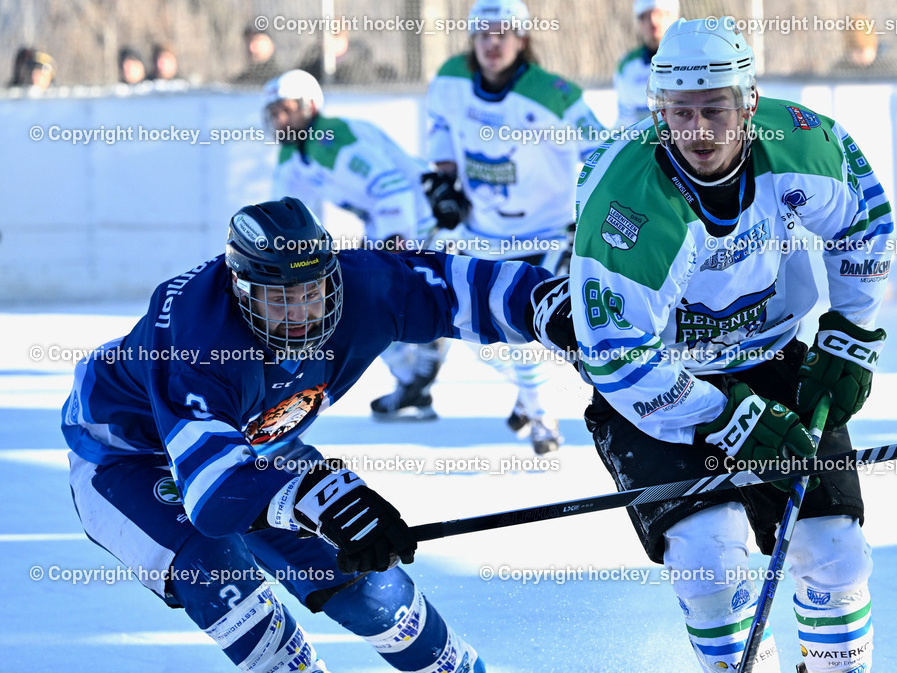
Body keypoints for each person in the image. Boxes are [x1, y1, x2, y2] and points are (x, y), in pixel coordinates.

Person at [532, 17, 892, 672]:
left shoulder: (800, 143)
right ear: (658, 112)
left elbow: (863, 221)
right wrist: (728, 420)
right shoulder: (630, 207)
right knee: (709, 558)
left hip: (772, 355)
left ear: (749, 104)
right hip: (656, 385)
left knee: (836, 550)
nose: (699, 130)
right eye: (681, 112)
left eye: (716, 109)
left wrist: (850, 332)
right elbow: (619, 357)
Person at [63, 196, 552, 671]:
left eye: (311, 294)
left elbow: (454, 288)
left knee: (373, 592)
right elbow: (213, 491)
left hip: (257, 442)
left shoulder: (364, 284)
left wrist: (549, 305)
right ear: (239, 288)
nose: (300, 315)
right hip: (127, 455)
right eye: (278, 300)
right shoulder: (197, 337)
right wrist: (324, 501)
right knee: (222, 578)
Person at [425, 0, 605, 453]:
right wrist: (444, 179)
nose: (492, 42)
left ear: (522, 38)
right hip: (480, 231)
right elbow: (440, 125)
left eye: (502, 32)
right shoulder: (450, 80)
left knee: (522, 334)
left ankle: (543, 421)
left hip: (542, 234)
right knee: (472, 334)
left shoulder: (555, 95)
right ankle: (532, 394)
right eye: (483, 33)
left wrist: (587, 216)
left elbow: (601, 154)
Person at [263, 69, 454, 420]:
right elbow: (287, 214)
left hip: (420, 218)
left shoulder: (332, 139)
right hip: (387, 223)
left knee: (365, 302)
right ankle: (415, 381)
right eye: (273, 112)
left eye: (285, 109)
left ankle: (525, 392)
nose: (279, 119)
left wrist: (395, 242)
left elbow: (393, 186)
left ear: (309, 105)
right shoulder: (294, 152)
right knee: (351, 303)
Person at [614, 0, 680, 129]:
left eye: (660, 14)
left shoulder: (694, 58)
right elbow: (626, 122)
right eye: (645, 16)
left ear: (675, 17)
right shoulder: (627, 67)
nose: (653, 22)